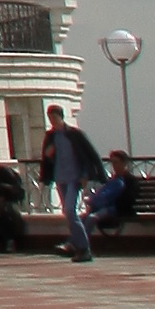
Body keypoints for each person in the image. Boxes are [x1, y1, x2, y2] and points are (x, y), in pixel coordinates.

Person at [41, 105, 109, 260]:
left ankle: (83, 247)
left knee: (71, 210)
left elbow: (87, 154)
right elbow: (47, 157)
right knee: (68, 211)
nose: (52, 120)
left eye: (54, 117)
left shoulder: (74, 134)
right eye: (50, 117)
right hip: (60, 177)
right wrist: (49, 155)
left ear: (61, 117)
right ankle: (78, 246)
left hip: (74, 178)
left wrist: (87, 174)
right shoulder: (51, 136)